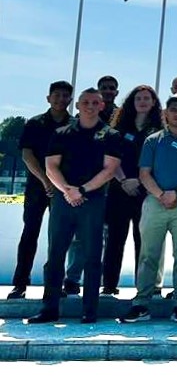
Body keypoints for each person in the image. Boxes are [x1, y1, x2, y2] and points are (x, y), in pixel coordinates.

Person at [27, 88, 122, 324]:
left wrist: (82, 190)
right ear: (77, 105)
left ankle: (89, 309)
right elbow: (51, 166)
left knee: (92, 256)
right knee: (55, 255)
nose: (90, 106)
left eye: (95, 102)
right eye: (86, 102)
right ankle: (49, 308)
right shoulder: (61, 133)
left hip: (93, 200)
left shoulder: (110, 135)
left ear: (102, 106)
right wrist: (68, 190)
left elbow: (110, 170)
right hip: (63, 200)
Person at [118, 95, 177, 324]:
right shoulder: (152, 140)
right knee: (148, 255)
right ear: (166, 113)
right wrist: (160, 195)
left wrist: (176, 193)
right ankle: (141, 304)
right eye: (173, 109)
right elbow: (144, 173)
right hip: (154, 202)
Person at [9, 80, 82, 300]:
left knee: (59, 238)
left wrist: (61, 184)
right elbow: (27, 155)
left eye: (65, 96)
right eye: (56, 95)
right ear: (48, 98)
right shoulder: (35, 123)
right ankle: (20, 283)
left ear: (70, 100)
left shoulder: (75, 125)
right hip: (37, 188)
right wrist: (45, 180)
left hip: (63, 189)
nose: (60, 99)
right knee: (30, 233)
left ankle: (54, 284)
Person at [102, 85, 163, 295]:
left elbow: (160, 162)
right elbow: (111, 158)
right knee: (115, 240)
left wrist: (139, 180)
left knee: (144, 241)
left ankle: (144, 286)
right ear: (132, 102)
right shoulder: (119, 128)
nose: (143, 101)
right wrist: (123, 180)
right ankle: (109, 285)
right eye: (139, 98)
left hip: (147, 192)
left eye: (147, 98)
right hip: (120, 189)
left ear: (154, 102)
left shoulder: (160, 130)